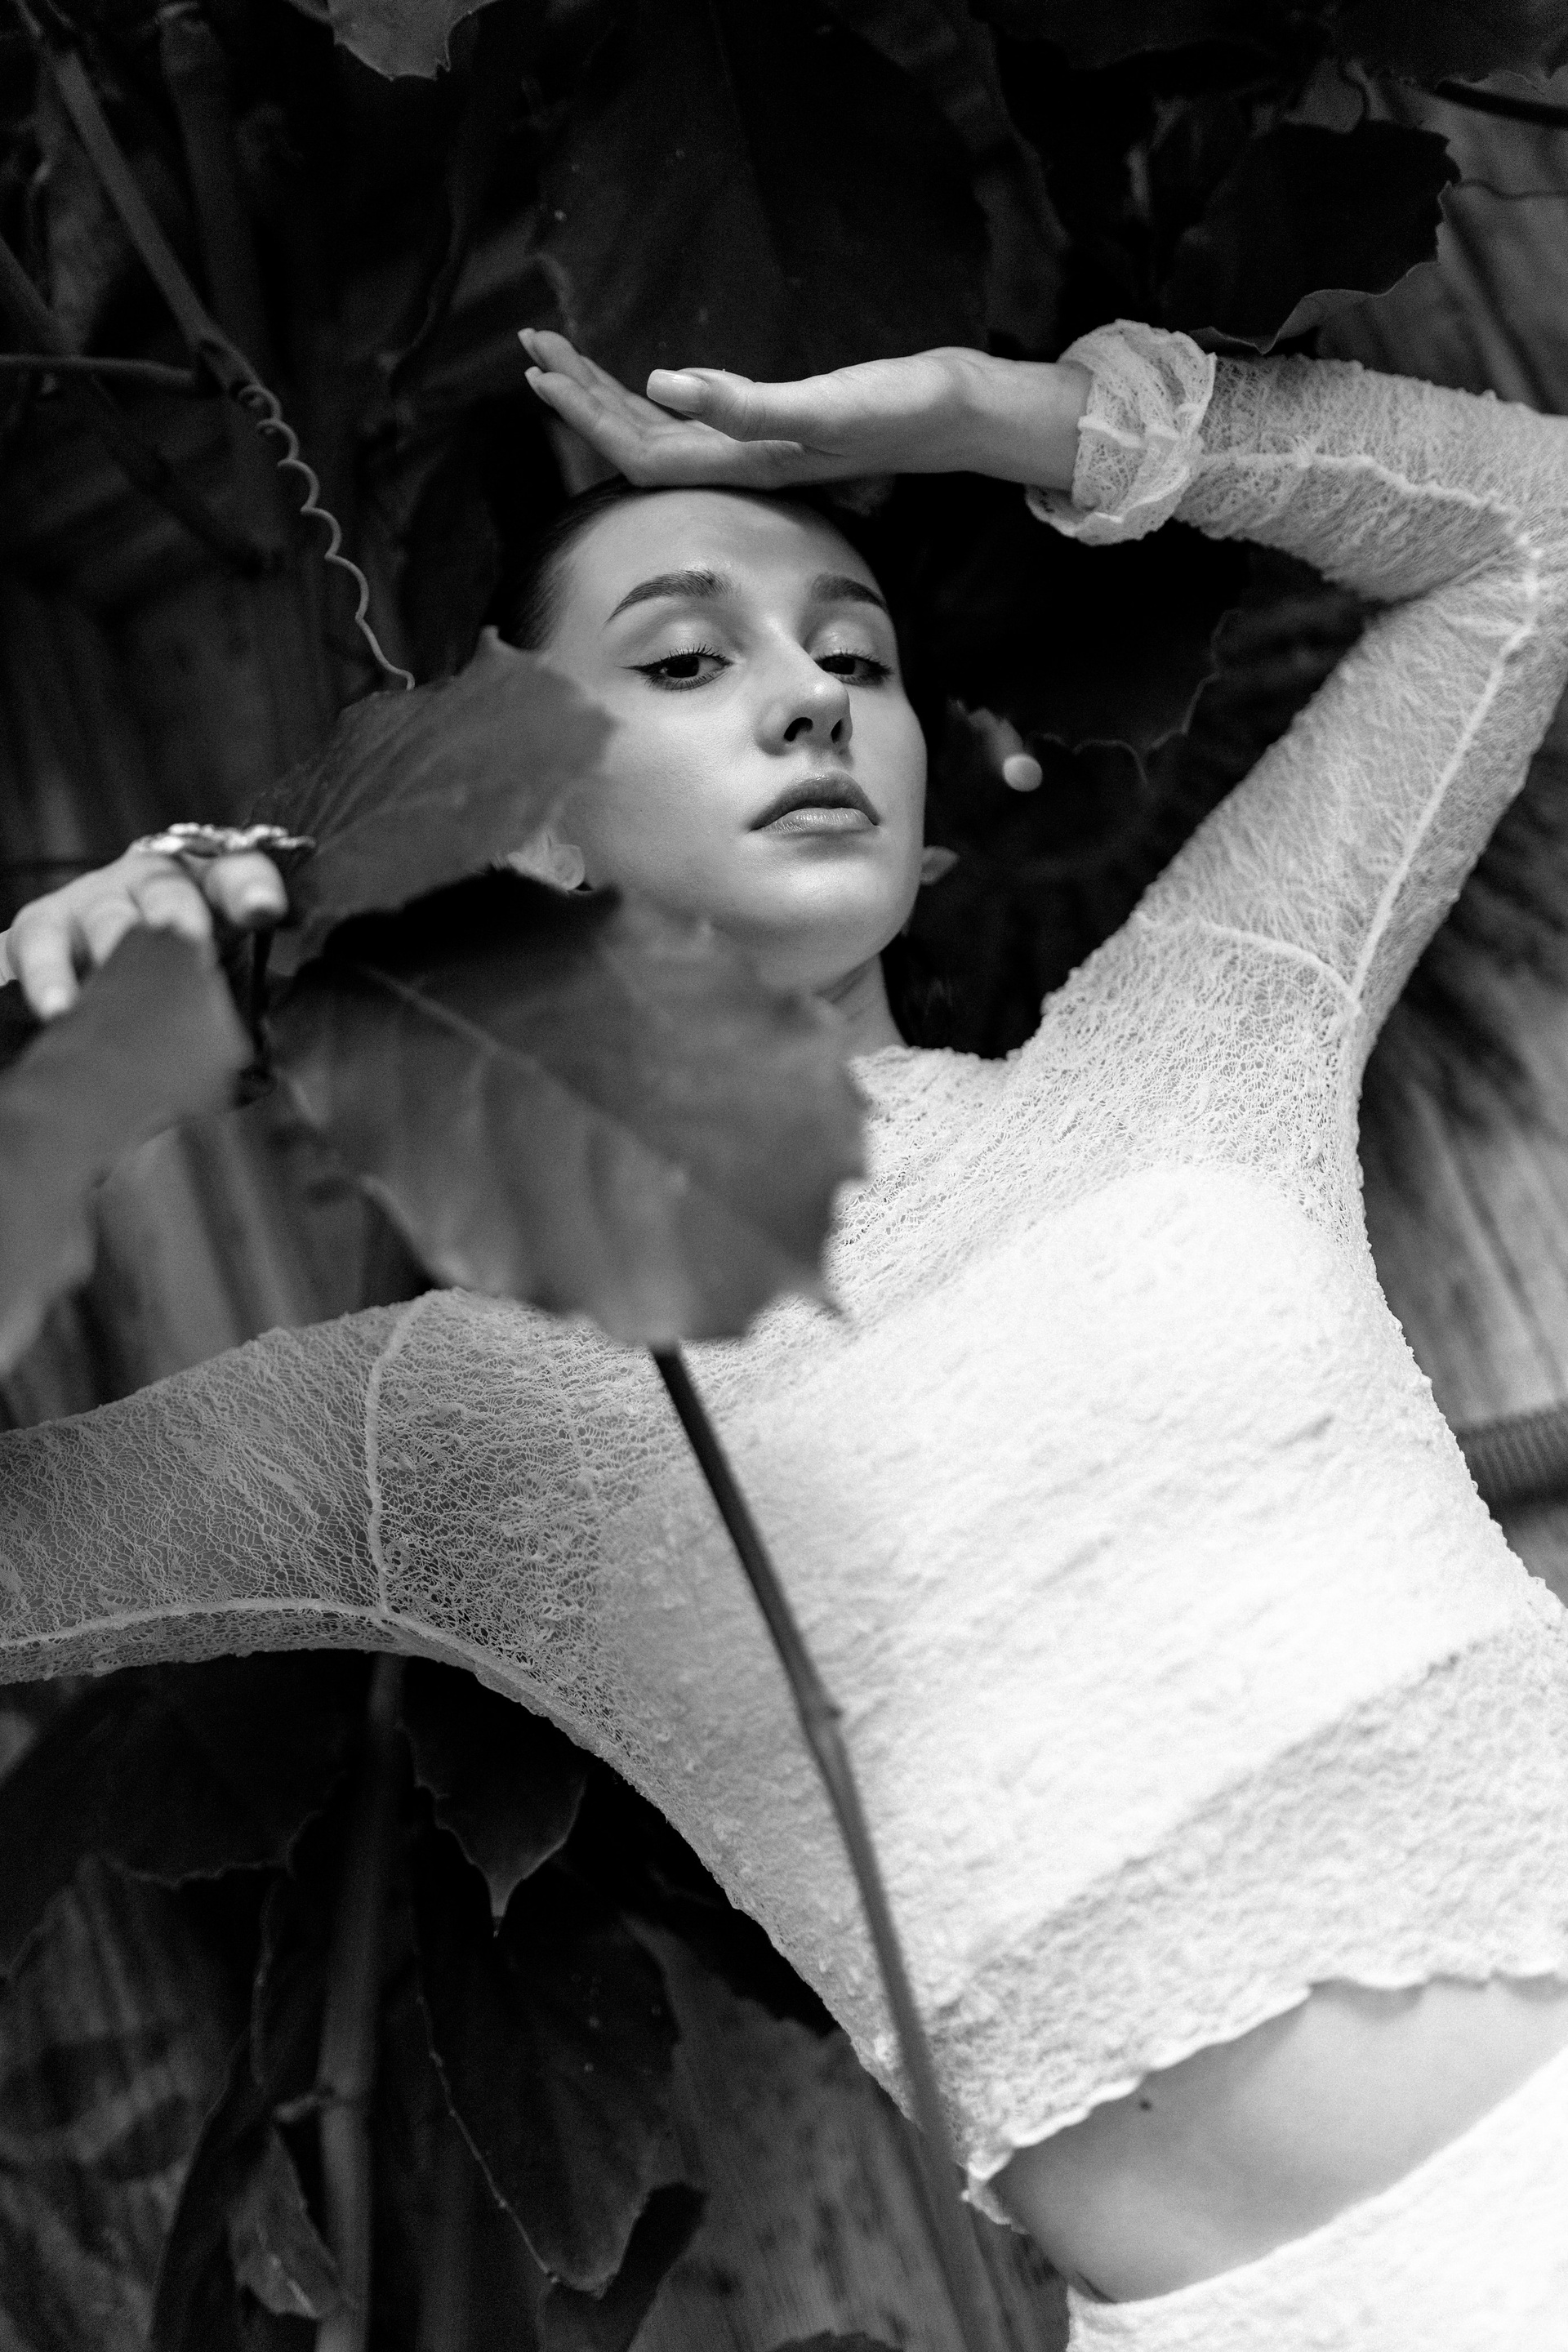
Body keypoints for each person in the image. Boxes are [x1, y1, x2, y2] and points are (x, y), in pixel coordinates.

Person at [3, 318, 1568, 2349]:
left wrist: (986, 414)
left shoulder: (1205, 1042)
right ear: (525, 831)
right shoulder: (464, 1419)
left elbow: (1525, 533)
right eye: (683, 662)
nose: (813, 697)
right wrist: (98, 1057)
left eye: (859, 654)